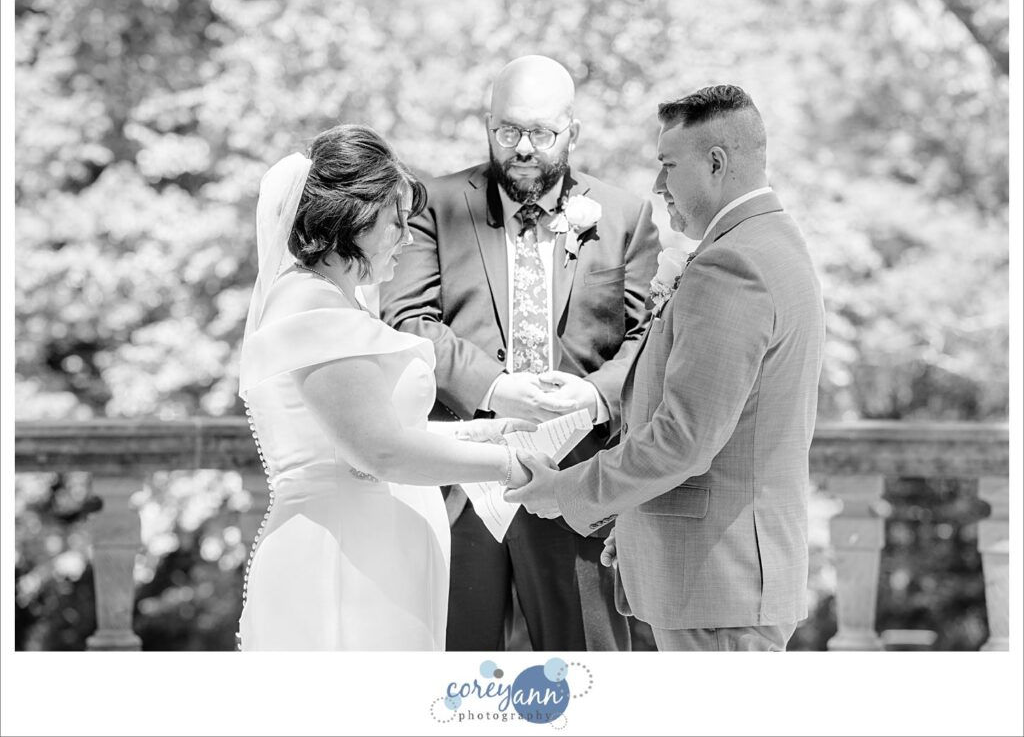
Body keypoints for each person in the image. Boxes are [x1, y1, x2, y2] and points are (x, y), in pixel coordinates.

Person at [507, 85, 826, 652]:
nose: (657, 186)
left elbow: (683, 438)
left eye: (668, 165)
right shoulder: (770, 241)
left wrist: (563, 491)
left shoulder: (733, 263)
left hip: (721, 589)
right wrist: (631, 526)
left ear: (717, 163)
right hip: (720, 581)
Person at [379, 55, 661, 651]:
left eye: (541, 132)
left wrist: (598, 394)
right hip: (459, 481)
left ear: (572, 132)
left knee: (586, 672)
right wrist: (495, 388)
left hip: (578, 480)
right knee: (454, 675)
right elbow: (406, 318)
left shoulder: (625, 216)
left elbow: (648, 337)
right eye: (507, 131)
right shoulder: (435, 203)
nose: (523, 148)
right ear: (488, 125)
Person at [236, 124, 540, 651]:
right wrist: (513, 467)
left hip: (377, 558)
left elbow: (383, 427)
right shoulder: (309, 305)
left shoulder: (339, 302)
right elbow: (378, 451)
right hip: (340, 559)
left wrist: (486, 437)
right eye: (395, 219)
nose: (406, 235)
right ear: (352, 216)